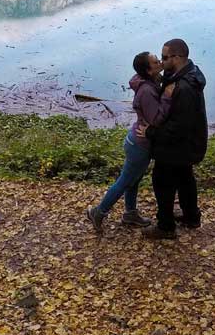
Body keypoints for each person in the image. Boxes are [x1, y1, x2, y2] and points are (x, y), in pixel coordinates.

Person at [86, 51, 173, 233]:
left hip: (136, 141)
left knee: (134, 180)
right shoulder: (147, 91)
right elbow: (155, 119)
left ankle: (130, 214)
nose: (160, 62)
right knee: (125, 181)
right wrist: (167, 97)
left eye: (159, 58)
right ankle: (98, 212)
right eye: (156, 61)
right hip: (140, 146)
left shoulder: (149, 80)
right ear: (148, 71)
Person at [136, 38, 207, 240]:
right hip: (190, 143)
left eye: (165, 57)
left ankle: (165, 227)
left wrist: (150, 132)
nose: (161, 61)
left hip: (179, 145)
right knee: (185, 178)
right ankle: (191, 216)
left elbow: (178, 127)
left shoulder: (183, 88)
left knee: (162, 181)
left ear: (177, 57)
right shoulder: (187, 73)